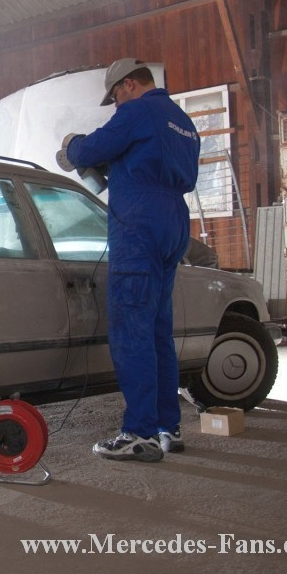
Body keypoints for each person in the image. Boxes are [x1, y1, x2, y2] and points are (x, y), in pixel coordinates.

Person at [57, 58, 201, 462]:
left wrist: (71, 146)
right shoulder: (183, 122)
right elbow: (150, 160)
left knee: (131, 330)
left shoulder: (137, 111)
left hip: (139, 223)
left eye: (116, 96)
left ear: (129, 84)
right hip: (174, 219)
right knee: (157, 331)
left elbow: (92, 147)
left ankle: (139, 433)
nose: (117, 104)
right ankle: (167, 426)